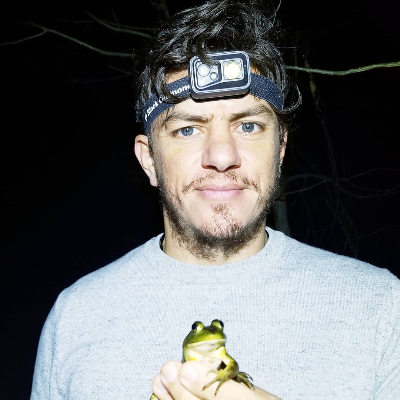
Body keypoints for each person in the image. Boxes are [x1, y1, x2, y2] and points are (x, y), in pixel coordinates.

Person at [30, 1, 400, 399]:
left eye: (248, 125)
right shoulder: (75, 316)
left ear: (279, 149)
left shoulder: (381, 307)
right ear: (149, 159)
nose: (222, 156)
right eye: (188, 130)